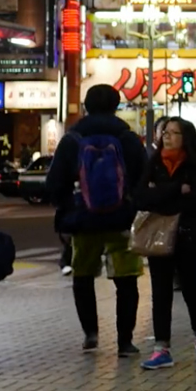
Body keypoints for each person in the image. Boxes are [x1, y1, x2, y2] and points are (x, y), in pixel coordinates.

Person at [47, 84, 149, 355]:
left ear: (85, 106)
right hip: (122, 220)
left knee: (82, 275)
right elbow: (143, 177)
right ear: (116, 106)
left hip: (84, 220)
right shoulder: (128, 139)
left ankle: (90, 333)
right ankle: (125, 342)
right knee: (126, 279)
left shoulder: (73, 139)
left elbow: (55, 183)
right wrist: (132, 205)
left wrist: (69, 207)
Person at [135, 117, 196, 369]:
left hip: (190, 235)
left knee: (192, 289)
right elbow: (140, 196)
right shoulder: (154, 161)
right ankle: (162, 348)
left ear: (186, 137)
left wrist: (160, 192)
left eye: (174, 133)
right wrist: (174, 189)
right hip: (159, 236)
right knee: (160, 292)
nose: (167, 137)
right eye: (165, 132)